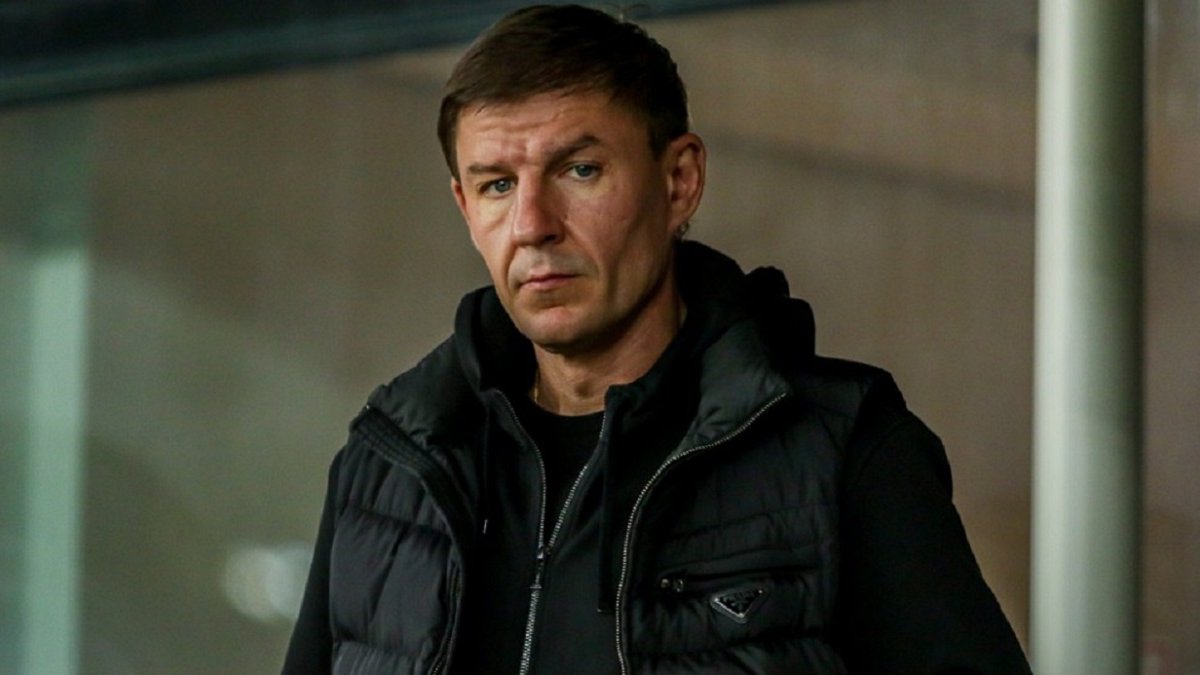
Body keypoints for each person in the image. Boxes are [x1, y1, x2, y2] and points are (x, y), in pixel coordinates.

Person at [283, 4, 1031, 674]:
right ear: (464, 207)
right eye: (497, 185)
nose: (533, 224)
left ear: (679, 181)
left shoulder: (842, 453)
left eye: (579, 169)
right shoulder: (390, 465)